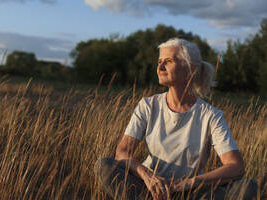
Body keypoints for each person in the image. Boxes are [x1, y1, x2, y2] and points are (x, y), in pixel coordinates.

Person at [94, 38, 257, 200]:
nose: (160, 67)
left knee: (247, 187)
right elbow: (122, 152)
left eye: (168, 61)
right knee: (104, 165)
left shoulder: (211, 115)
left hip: (189, 192)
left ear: (190, 69)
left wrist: (186, 183)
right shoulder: (148, 105)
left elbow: (236, 166)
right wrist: (148, 176)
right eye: (159, 61)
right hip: (148, 188)